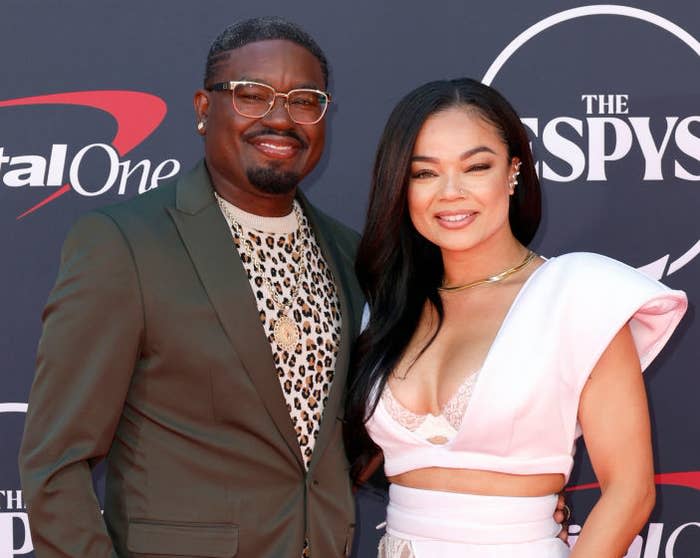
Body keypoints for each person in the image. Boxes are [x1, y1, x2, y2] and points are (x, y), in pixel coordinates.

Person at [19, 17, 365, 558]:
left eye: (305, 100)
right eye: (252, 95)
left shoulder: (351, 254)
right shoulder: (124, 244)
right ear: (205, 110)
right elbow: (56, 463)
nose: (280, 117)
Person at [345, 78, 688, 557]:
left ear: (513, 172)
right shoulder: (385, 307)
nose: (451, 192)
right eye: (424, 173)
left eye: (476, 167)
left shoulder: (577, 293)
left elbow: (630, 493)